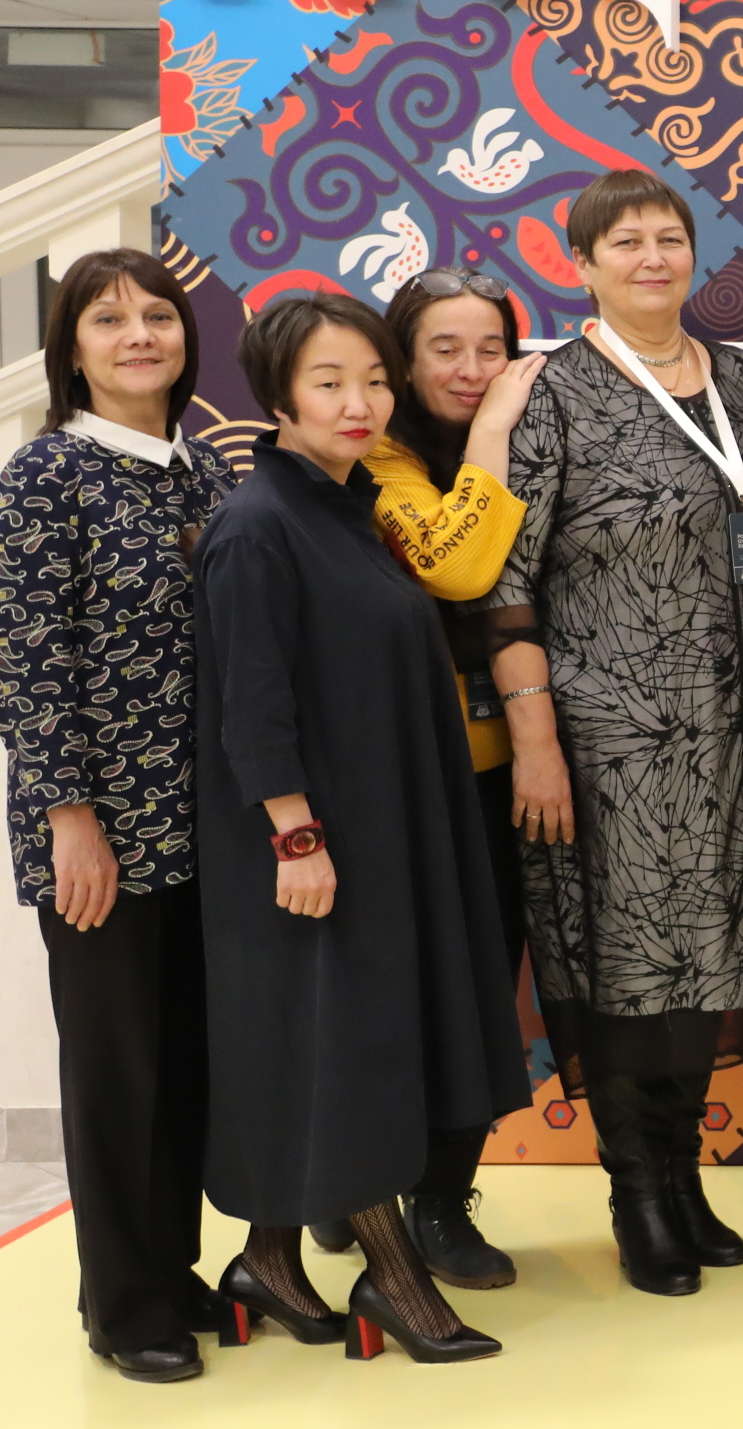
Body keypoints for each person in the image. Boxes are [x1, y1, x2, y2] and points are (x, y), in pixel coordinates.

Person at [487, 171, 743, 1298]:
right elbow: (505, 582)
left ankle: (683, 1176)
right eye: (623, 242)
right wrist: (535, 738)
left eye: (668, 237)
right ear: (581, 264)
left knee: (716, 955)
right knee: (637, 970)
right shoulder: (554, 392)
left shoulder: (739, 379)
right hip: (617, 741)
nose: (651, 258)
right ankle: (637, 1192)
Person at [194, 292, 530, 1364]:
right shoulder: (258, 524)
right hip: (312, 836)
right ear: (278, 394)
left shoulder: (351, 504)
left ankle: (269, 1262)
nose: (359, 402)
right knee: (352, 1049)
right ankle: (394, 1278)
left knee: (339, 1039)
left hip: (382, 822)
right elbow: (250, 700)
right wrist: (296, 836)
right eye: (330, 382)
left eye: (375, 380)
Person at [0, 250, 236, 1383]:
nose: (139, 334)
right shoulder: (43, 478)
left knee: (185, 1062)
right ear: (71, 349)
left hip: (204, 825)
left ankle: (170, 1269)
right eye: (108, 318)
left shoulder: (203, 471)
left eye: (158, 315)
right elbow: (30, 667)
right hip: (102, 836)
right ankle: (124, 1305)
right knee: (117, 1070)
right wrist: (70, 818)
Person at [304, 267, 544, 1291]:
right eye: (445, 348)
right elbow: (456, 562)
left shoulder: (521, 441)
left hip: (492, 774)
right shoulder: (377, 460)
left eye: (491, 348)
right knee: (385, 995)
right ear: (400, 362)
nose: (472, 368)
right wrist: (492, 431)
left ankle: (444, 1199)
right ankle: (356, 1182)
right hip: (387, 783)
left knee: (483, 992)